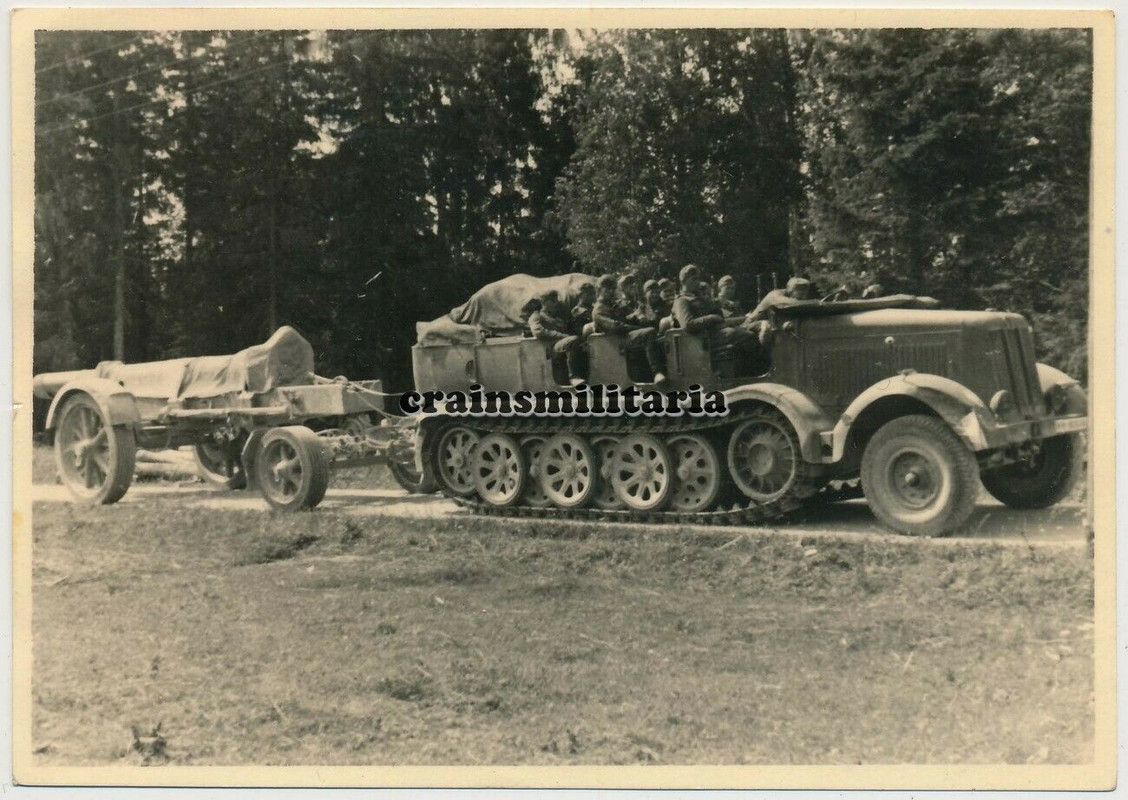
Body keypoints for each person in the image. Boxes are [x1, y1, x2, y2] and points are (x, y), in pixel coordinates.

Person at [673, 264, 770, 356]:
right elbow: (687, 325)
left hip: (716, 332)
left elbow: (721, 318)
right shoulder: (681, 301)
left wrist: (746, 318)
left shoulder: (700, 298)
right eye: (694, 279)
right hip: (702, 339)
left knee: (754, 326)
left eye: (698, 278)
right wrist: (711, 318)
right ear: (683, 282)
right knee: (745, 335)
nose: (698, 282)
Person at [593, 275, 667, 383]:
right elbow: (616, 326)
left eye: (613, 288)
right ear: (600, 290)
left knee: (653, 332)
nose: (611, 291)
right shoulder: (598, 310)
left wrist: (636, 317)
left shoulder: (613, 305)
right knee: (648, 333)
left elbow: (626, 318)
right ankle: (657, 372)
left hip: (624, 337)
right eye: (607, 289)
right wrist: (636, 327)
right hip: (615, 340)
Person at [529, 289, 585, 387]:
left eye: (556, 300)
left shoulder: (557, 317)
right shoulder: (536, 316)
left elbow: (568, 330)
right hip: (551, 347)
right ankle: (574, 377)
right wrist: (562, 336)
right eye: (552, 301)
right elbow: (539, 332)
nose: (556, 303)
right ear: (544, 302)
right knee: (573, 340)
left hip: (562, 346)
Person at [747, 276, 815, 322]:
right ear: (790, 291)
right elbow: (792, 302)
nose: (803, 298)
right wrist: (815, 302)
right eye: (801, 295)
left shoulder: (789, 295)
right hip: (753, 324)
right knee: (765, 327)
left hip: (772, 325)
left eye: (805, 294)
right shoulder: (775, 295)